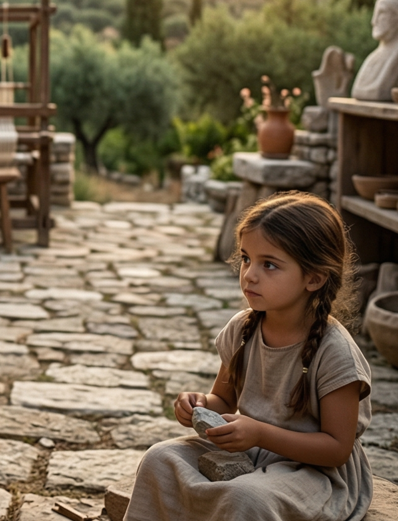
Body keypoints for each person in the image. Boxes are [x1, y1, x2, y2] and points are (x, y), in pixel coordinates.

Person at [125, 192, 373, 521]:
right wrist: (198, 405)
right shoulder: (242, 330)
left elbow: (336, 449)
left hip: (313, 472)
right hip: (248, 452)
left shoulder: (334, 353)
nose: (249, 274)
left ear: (313, 278)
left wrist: (259, 433)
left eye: (269, 264)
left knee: (246, 497)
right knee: (160, 458)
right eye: (246, 258)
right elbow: (222, 401)